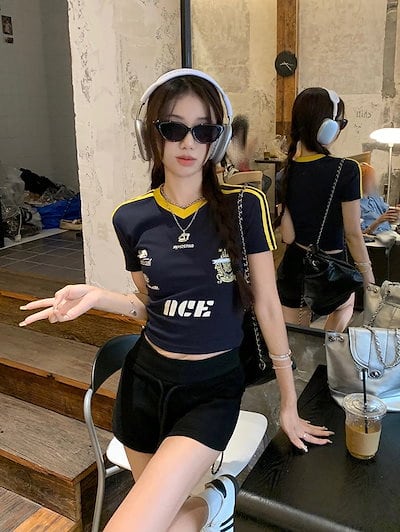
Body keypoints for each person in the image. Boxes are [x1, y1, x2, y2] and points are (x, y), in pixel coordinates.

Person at [19, 69, 333, 532]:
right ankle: (217, 504)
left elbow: (268, 306)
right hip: (144, 386)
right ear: (152, 135)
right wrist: (100, 296)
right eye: (173, 128)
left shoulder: (244, 206)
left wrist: (288, 402)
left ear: (216, 140)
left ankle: (216, 500)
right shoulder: (131, 218)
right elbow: (150, 306)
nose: (188, 142)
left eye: (203, 130)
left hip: (211, 390)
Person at [277, 87, 375, 332]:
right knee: (343, 311)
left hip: (295, 269)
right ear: (328, 127)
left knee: (296, 341)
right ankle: (327, 351)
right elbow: (353, 234)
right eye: (341, 123)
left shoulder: (283, 174)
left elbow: (288, 236)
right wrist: (369, 280)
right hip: (332, 270)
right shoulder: (347, 169)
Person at [360, 162, 400, 235]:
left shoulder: (376, 198)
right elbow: (358, 235)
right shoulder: (355, 204)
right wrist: (378, 221)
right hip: (372, 239)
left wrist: (396, 214)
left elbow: (391, 220)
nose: (374, 182)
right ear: (361, 180)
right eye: (370, 179)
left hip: (389, 235)